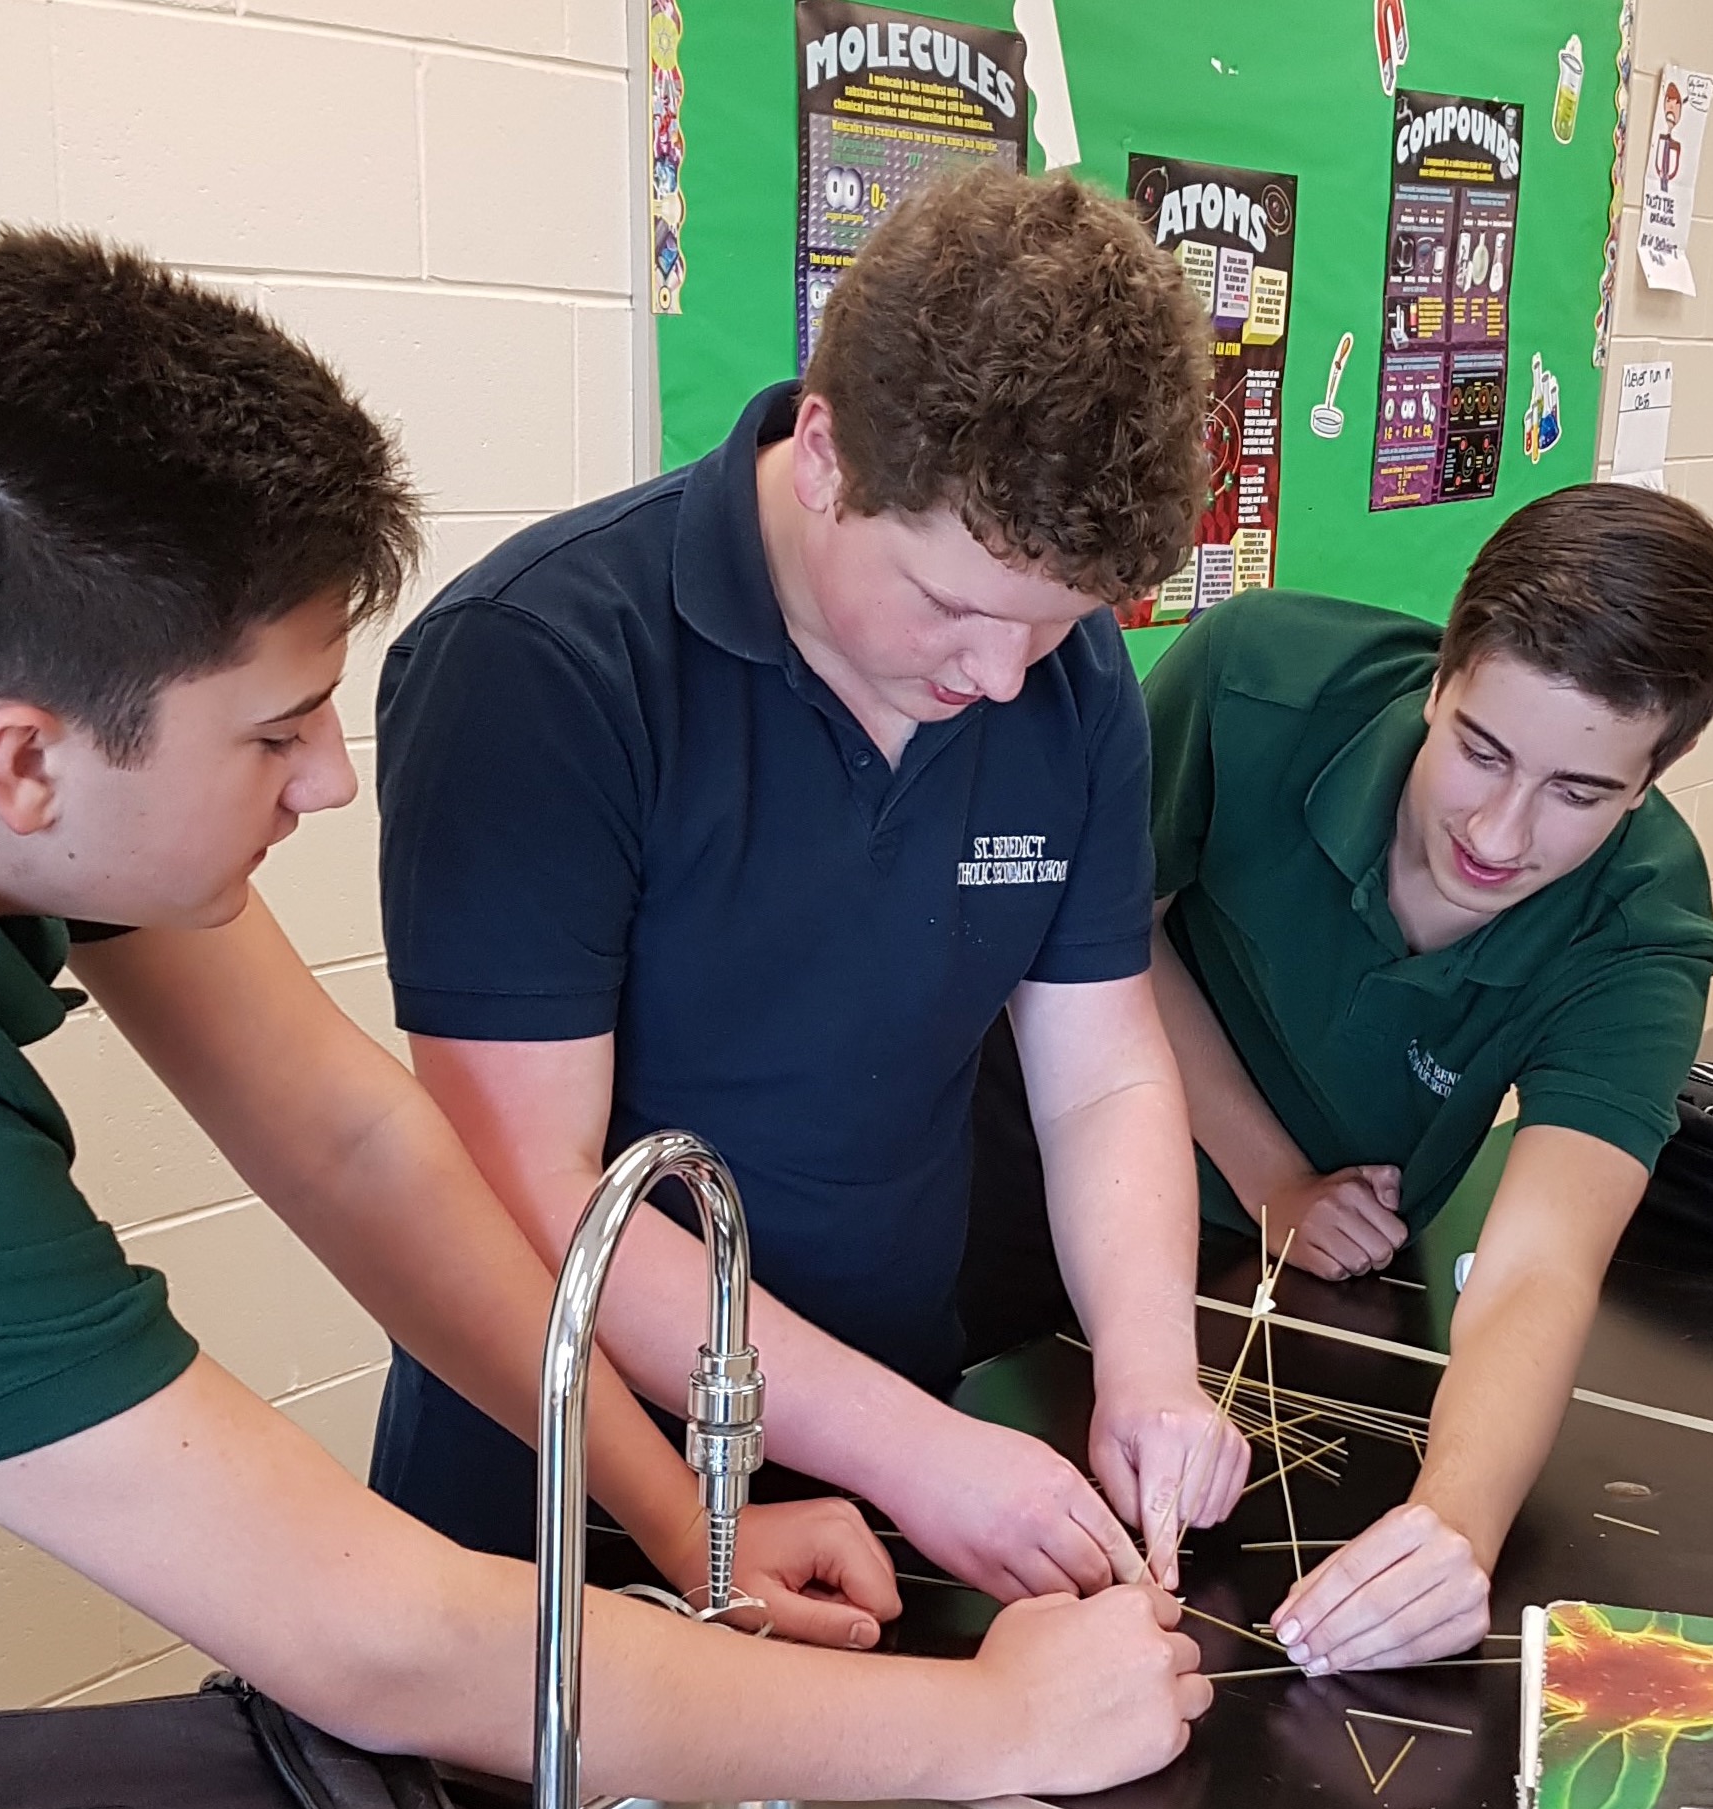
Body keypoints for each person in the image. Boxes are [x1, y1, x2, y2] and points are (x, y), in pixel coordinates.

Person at [0, 227, 1210, 1804]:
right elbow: (369, 1630)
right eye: (275, 733)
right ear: (23, 754)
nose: (334, 778)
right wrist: (988, 1716)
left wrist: (676, 1507)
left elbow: (348, 1136)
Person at [369, 168, 1252, 1600]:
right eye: (955, 607)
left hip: (897, 1433)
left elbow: (1100, 1069)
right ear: (827, 455)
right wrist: (916, 1452)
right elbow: (531, 1194)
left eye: (1060, 624)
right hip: (572, 1472)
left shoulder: (1059, 678)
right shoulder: (539, 666)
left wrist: (1149, 1374)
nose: (999, 678)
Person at [976, 483, 1713, 1675]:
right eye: (1481, 751)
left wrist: (1457, 1525)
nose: (1499, 831)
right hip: (1030, 1182)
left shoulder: (1644, 926)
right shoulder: (1257, 679)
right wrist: (1274, 1172)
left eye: (1580, 794)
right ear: (1442, 678)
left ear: (1651, 782)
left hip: (1284, 1298)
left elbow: (1541, 1263)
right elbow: (1101, 946)